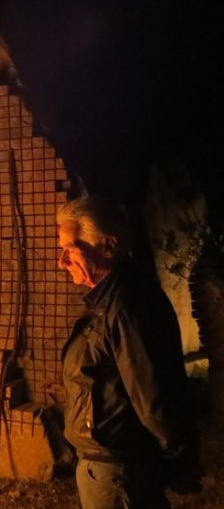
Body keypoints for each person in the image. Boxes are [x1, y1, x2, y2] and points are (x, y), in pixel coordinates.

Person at [56, 196, 199, 509]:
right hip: (108, 468)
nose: (62, 262)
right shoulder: (108, 304)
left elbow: (153, 397)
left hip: (119, 472)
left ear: (108, 246)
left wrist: (176, 463)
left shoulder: (126, 308)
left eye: (70, 249)